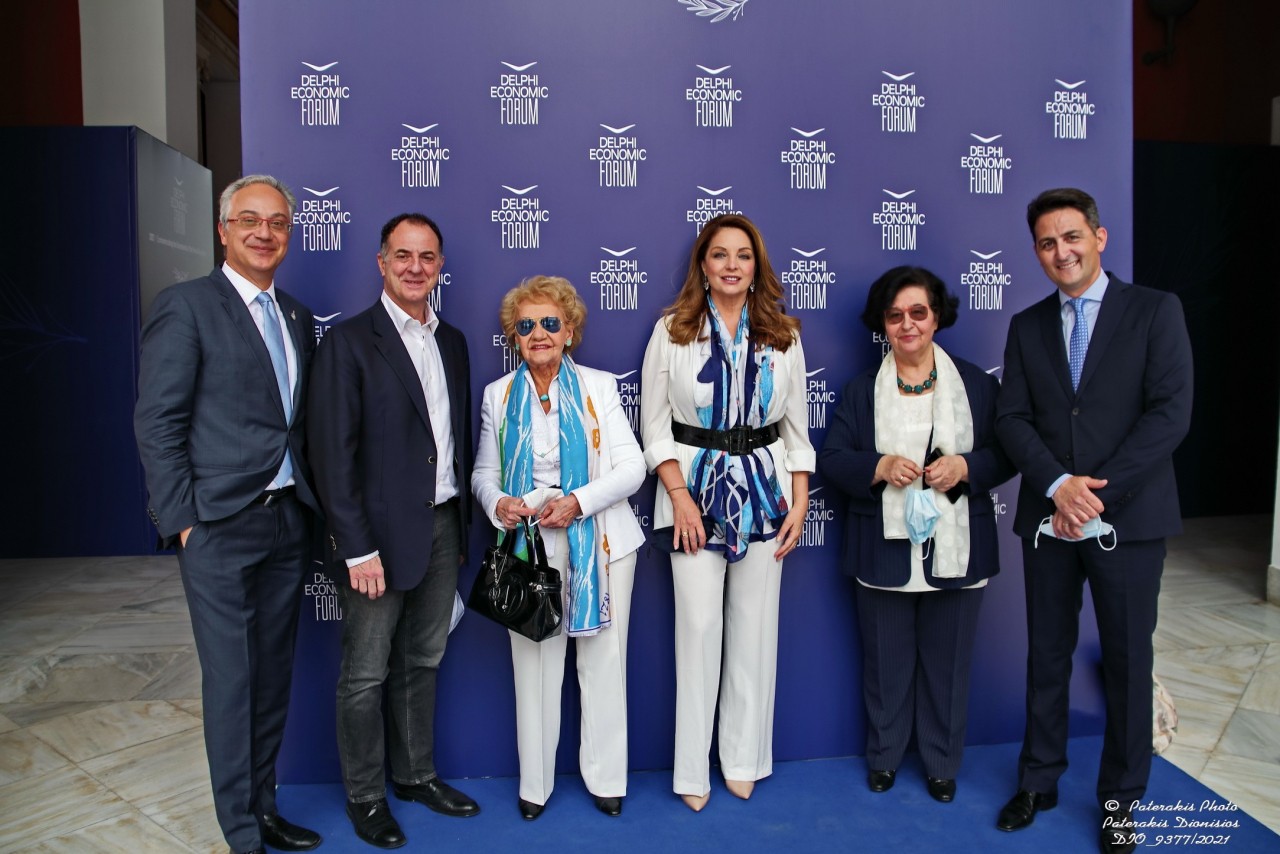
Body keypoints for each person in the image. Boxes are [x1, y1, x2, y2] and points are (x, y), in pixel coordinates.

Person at [994, 188, 1193, 854]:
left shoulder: (1155, 311)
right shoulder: (1026, 326)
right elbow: (1012, 418)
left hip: (1128, 521)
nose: (1062, 252)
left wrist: (1094, 494)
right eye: (1047, 243)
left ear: (1099, 238)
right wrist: (1057, 485)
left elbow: (1170, 413)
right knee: (1046, 654)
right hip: (1049, 521)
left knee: (1129, 663)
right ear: (1036, 252)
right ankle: (1038, 780)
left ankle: (1120, 802)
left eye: (1072, 237)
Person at [134, 175, 323, 854]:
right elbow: (157, 422)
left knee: (271, 679)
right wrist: (184, 521)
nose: (264, 233)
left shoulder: (295, 315)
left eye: (277, 222)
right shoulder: (187, 306)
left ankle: (263, 809)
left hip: (286, 522)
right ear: (223, 230)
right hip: (218, 526)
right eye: (249, 220)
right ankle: (240, 834)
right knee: (232, 682)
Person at [307, 213, 476, 850]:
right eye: (402, 255)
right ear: (381, 263)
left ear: (440, 267)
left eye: (427, 257)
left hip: (442, 524)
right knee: (365, 674)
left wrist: (459, 527)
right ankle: (365, 797)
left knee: (422, 660)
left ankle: (415, 775)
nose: (415, 267)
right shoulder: (349, 342)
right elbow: (331, 456)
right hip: (374, 541)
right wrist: (357, 548)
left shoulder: (452, 341)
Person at [817, 266, 1014, 804]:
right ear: (883, 324)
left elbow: (1008, 453)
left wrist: (966, 467)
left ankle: (941, 764)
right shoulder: (862, 391)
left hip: (958, 550)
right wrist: (879, 466)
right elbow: (832, 458)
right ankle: (884, 757)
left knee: (948, 670)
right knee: (885, 667)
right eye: (895, 315)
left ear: (937, 317)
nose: (907, 324)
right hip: (883, 551)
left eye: (918, 313)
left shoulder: (977, 385)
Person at [640, 213, 813, 811]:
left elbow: (797, 429)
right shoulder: (672, 330)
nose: (732, 265)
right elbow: (654, 426)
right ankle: (692, 770)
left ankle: (743, 760)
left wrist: (800, 500)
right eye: (720, 254)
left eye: (743, 254)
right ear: (704, 265)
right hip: (692, 494)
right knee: (698, 632)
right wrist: (680, 497)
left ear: (757, 266)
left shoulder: (784, 334)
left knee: (755, 631)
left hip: (766, 493)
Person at [472, 276, 646, 821]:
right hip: (528, 549)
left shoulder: (600, 387)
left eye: (550, 323)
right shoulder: (498, 395)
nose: (539, 333)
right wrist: (498, 502)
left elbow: (633, 468)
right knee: (534, 669)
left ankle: (607, 778)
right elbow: (483, 473)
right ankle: (536, 785)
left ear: (569, 331)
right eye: (526, 325)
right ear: (514, 338)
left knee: (603, 663)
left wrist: (577, 502)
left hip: (601, 543)